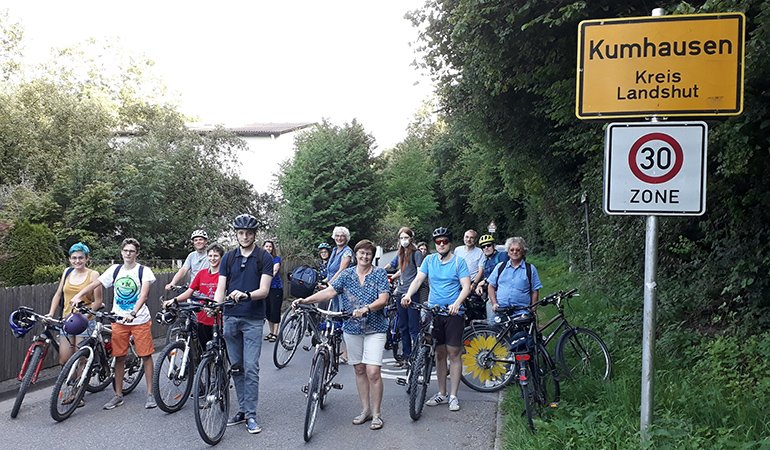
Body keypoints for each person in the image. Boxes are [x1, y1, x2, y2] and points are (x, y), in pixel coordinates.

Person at [293, 239, 389, 430]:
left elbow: (384, 298)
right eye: (361, 253)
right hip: (352, 328)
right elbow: (329, 292)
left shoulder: (379, 273)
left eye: (368, 253)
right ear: (356, 255)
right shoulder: (346, 275)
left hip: (375, 328)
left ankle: (377, 414)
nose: (365, 256)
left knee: (373, 371)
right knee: (359, 369)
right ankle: (365, 410)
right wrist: (307, 300)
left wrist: (367, 308)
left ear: (372, 256)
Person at [71, 238, 157, 410]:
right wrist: (79, 295)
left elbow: (144, 295)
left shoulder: (144, 271)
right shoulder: (115, 270)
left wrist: (133, 313)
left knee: (145, 356)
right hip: (118, 320)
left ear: (137, 253)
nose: (128, 254)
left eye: (131, 251)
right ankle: (118, 395)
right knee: (119, 357)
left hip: (139, 320)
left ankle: (150, 394)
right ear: (121, 252)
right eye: (125, 250)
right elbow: (96, 283)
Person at [213, 214, 274, 435]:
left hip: (253, 319)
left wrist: (246, 295)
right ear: (236, 234)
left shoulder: (263, 257)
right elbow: (221, 287)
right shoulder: (228, 258)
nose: (245, 236)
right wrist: (216, 305)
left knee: (251, 368)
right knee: (236, 367)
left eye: (248, 233)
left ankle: (251, 415)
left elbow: (264, 290)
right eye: (241, 233)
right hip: (230, 317)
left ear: (254, 234)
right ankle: (241, 409)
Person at [402, 227, 471, 412]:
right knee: (439, 354)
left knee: (453, 353)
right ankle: (442, 393)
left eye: (444, 241)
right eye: (438, 242)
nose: (441, 244)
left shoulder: (459, 262)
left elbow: (466, 286)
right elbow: (418, 280)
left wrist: (457, 303)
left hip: (453, 314)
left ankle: (454, 396)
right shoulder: (429, 260)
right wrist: (408, 294)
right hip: (434, 311)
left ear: (450, 243)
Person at [46, 243, 103, 370]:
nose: (77, 261)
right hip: (67, 319)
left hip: (84, 320)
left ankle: (78, 388)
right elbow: (58, 294)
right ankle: (67, 384)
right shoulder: (67, 272)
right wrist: (51, 313)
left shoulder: (93, 275)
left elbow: (98, 301)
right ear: (70, 259)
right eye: (74, 258)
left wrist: (86, 316)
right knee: (64, 359)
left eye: (81, 258)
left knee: (80, 359)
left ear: (87, 259)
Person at [163, 243, 225, 346]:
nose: (212, 258)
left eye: (216, 256)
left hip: (218, 320)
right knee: (204, 350)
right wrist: (174, 300)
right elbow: (189, 292)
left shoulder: (224, 275)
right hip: (202, 317)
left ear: (221, 257)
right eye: (210, 256)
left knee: (217, 350)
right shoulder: (201, 274)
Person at [382, 227, 424, 366]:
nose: (404, 240)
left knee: (413, 326)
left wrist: (411, 292)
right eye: (401, 238)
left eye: (406, 237)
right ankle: (406, 356)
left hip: (411, 294)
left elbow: (419, 273)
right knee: (403, 326)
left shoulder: (416, 253)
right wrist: (380, 272)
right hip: (400, 292)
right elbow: (394, 266)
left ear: (411, 238)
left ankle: (417, 357)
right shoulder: (401, 253)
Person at [486, 237, 543, 316]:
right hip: (501, 311)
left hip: (522, 311)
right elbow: (491, 286)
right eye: (512, 250)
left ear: (523, 251)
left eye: (518, 250)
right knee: (495, 328)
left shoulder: (530, 269)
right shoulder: (500, 267)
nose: (514, 252)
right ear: (508, 252)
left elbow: (535, 290)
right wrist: (494, 303)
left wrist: (533, 308)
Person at [475, 234, 508, 322]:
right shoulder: (486, 262)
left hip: (503, 291)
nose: (486, 248)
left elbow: (502, 272)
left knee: (493, 320)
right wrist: (480, 285)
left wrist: (485, 281)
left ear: (493, 246)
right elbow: (486, 277)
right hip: (492, 291)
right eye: (483, 246)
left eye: (488, 245)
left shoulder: (502, 256)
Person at [262, 240, 283, 343]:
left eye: (270, 246)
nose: (268, 248)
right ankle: (271, 332)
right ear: (263, 247)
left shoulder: (276, 259)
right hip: (266, 289)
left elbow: (274, 271)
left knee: (275, 310)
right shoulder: (261, 260)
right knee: (268, 311)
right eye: (266, 246)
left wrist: (265, 280)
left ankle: (275, 333)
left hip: (276, 288)